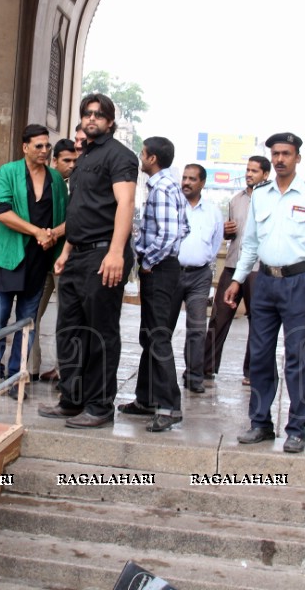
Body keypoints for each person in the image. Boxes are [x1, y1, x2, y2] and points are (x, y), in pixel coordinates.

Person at [223, 133, 305, 454]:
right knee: (259, 355)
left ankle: (296, 429)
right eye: (275, 154)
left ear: (297, 158)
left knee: (298, 357)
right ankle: (260, 423)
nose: (280, 159)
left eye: (286, 153)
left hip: (299, 282)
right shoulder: (261, 194)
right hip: (265, 282)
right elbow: (251, 244)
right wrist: (237, 279)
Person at [39, 93, 138, 429]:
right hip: (77, 255)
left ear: (110, 121)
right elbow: (79, 210)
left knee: (100, 333)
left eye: (99, 114)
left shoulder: (120, 157)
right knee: (69, 331)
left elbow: (125, 206)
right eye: (87, 114)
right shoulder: (84, 158)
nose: (92, 119)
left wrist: (114, 252)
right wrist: (65, 252)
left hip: (103, 255)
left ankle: (99, 406)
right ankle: (72, 399)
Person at [0, 124, 68, 394]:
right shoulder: (8, 172)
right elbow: (0, 209)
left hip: (39, 261)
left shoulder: (56, 179)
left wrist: (52, 234)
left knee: (27, 323)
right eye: (39, 146)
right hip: (9, 258)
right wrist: (36, 232)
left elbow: (68, 218)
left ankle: (16, 376)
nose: (44, 151)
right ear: (25, 147)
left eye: (47, 146)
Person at [118, 137, 187, 432]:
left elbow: (171, 235)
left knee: (158, 336)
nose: (140, 157)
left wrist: (148, 262)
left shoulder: (162, 188)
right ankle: (145, 399)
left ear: (152, 158)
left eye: (143, 153)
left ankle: (169, 406)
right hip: (162, 268)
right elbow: (184, 227)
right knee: (149, 335)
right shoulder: (167, 186)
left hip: (159, 269)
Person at [207, 156, 270, 386]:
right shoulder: (236, 200)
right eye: (247, 170)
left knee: (259, 321)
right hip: (233, 265)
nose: (249, 174)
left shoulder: (271, 201)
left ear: (265, 174)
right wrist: (226, 231)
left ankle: (252, 372)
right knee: (218, 317)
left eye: (255, 171)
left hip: (258, 268)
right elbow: (232, 234)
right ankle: (206, 367)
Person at [28, 137, 79, 381]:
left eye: (75, 160)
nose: (71, 165)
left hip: (66, 259)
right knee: (32, 314)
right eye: (66, 160)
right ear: (54, 160)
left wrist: (53, 233)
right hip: (41, 258)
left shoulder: (79, 185)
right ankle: (30, 368)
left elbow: (80, 218)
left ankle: (63, 370)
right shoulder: (44, 181)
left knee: (67, 316)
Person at [173, 163, 223, 394]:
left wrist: (201, 262)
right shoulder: (173, 205)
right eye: (184, 177)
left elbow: (215, 244)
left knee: (197, 328)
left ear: (202, 183)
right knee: (163, 327)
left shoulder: (212, 211)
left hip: (199, 276)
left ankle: (194, 376)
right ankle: (158, 378)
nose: (187, 182)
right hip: (171, 273)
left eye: (192, 179)